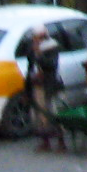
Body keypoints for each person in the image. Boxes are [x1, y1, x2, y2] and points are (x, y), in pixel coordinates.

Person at [27, 24, 66, 152]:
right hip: (38, 85)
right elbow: (30, 64)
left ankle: (61, 141)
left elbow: (51, 65)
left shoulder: (52, 47)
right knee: (41, 115)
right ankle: (45, 142)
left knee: (54, 112)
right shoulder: (33, 48)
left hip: (50, 84)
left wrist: (39, 54)